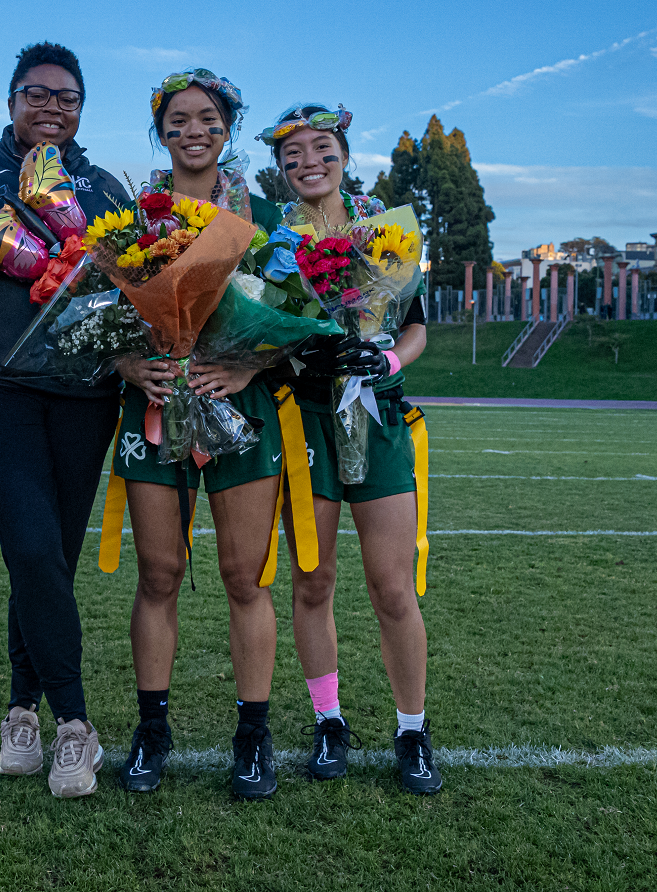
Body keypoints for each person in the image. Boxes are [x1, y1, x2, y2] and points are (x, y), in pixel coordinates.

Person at [0, 42, 126, 798]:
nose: (52, 108)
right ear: (11, 100)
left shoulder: (104, 187)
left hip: (85, 394)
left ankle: (20, 710)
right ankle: (75, 724)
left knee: (52, 560)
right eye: (37, 95)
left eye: (67, 99)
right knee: (33, 546)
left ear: (81, 110)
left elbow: (131, 289)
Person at [110, 70, 286, 799]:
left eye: (207, 118)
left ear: (228, 127)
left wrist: (248, 367)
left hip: (240, 407)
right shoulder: (130, 217)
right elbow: (102, 308)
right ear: (160, 130)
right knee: (158, 575)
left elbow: (293, 308)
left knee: (245, 576)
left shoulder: (263, 209)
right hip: (154, 402)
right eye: (176, 119)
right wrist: (129, 361)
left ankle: (253, 734)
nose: (192, 130)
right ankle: (153, 729)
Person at [256, 103, 441, 795]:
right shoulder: (274, 239)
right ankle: (328, 721)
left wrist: (391, 362)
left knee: (393, 585)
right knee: (314, 579)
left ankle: (413, 728)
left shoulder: (384, 226)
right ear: (280, 166)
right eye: (293, 152)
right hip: (306, 415)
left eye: (322, 146)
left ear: (343, 150)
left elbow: (417, 324)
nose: (309, 160)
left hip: (379, 412)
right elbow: (263, 322)